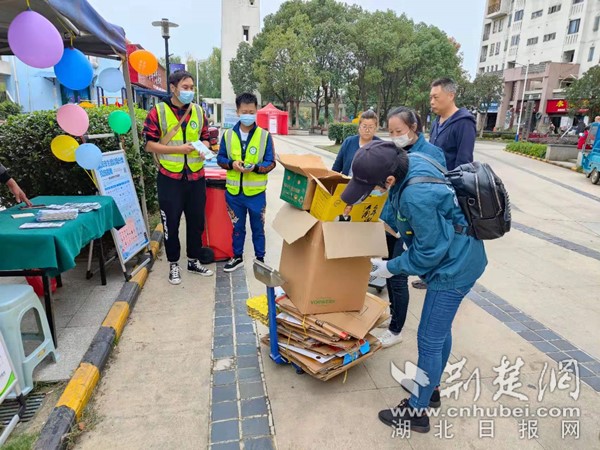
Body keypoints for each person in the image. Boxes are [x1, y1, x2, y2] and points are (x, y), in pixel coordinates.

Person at [340, 140, 487, 434]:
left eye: (372, 187)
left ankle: (417, 411)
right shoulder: (411, 161)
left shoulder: (416, 195)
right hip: (461, 253)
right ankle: (430, 389)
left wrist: (389, 267)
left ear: (390, 179)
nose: (372, 191)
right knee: (439, 332)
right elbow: (399, 210)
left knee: (429, 338)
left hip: (453, 268)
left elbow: (428, 252)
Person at [376, 107, 447, 349]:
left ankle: (397, 330)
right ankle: (393, 317)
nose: (395, 135)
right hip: (390, 223)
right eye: (391, 131)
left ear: (413, 128)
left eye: (399, 131)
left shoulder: (430, 154)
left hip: (409, 229)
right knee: (388, 273)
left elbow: (430, 199)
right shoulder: (393, 151)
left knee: (397, 276)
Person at [143, 70, 214, 285]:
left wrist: (205, 148)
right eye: (185, 87)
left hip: (196, 177)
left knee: (196, 222)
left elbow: (206, 138)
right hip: (169, 178)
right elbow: (148, 144)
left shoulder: (199, 112)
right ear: (173, 88)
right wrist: (178, 151)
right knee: (171, 224)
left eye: (192, 88)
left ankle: (193, 260)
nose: (189, 91)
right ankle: (174, 264)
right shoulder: (158, 111)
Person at [414, 78, 476, 291]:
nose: (431, 101)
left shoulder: (464, 122)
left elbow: (464, 161)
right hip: (434, 186)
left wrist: (454, 189)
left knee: (449, 232)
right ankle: (430, 273)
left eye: (435, 97)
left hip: (451, 190)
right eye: (430, 97)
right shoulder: (437, 122)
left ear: (450, 95)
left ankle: (446, 275)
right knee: (433, 231)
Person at [217, 93, 276, 273]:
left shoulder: (264, 136)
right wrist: (231, 164)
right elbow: (220, 158)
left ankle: (260, 258)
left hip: (256, 194)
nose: (248, 115)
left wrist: (256, 168)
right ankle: (237, 257)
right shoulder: (227, 135)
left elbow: (271, 162)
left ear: (256, 110)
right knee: (237, 227)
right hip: (234, 193)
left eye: (251, 111)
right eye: (244, 111)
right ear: (237, 111)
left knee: (258, 228)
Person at [332, 110, 381, 175]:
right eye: (364, 126)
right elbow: (336, 168)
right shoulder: (348, 142)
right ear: (359, 127)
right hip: (347, 183)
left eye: (371, 127)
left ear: (375, 128)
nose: (367, 130)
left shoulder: (380, 146)